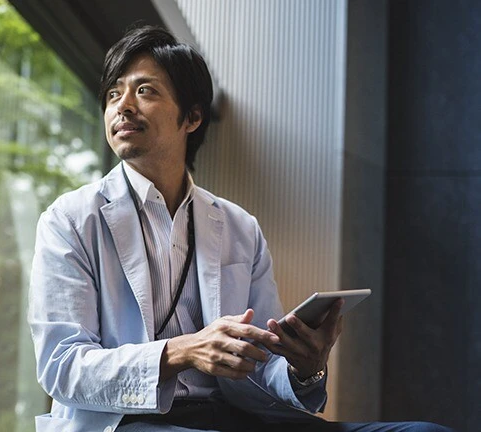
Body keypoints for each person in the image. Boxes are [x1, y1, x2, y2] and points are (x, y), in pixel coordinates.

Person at [28, 26, 452, 432]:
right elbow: (61, 367)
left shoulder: (239, 226)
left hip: (234, 417)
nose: (123, 105)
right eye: (113, 94)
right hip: (123, 422)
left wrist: (306, 368)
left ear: (192, 117)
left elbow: (261, 367)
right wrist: (183, 351)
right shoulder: (70, 219)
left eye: (144, 90)